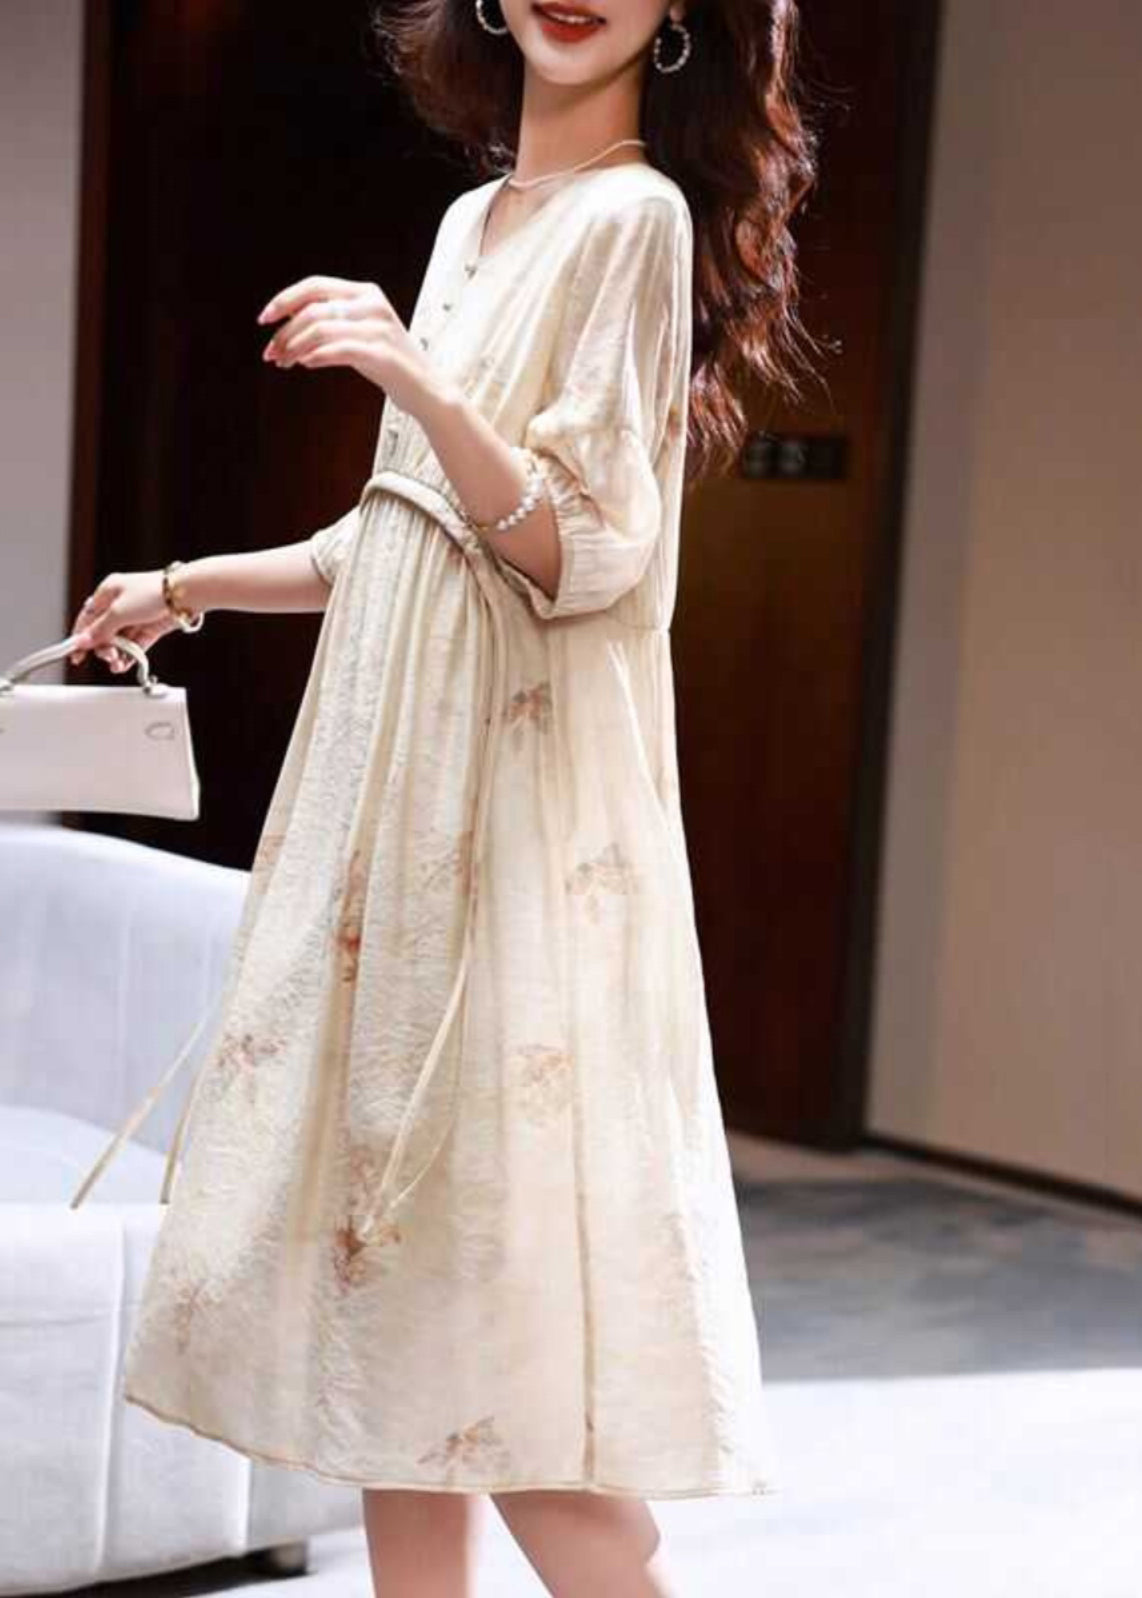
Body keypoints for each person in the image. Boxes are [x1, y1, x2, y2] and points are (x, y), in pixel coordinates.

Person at [67, 2, 821, 1592]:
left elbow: (579, 546)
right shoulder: (472, 220)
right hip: (390, 834)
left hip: (506, 835)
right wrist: (181, 587)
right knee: (392, 1333)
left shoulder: (633, 217)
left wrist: (410, 372)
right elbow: (402, 533)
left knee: (490, 1336)